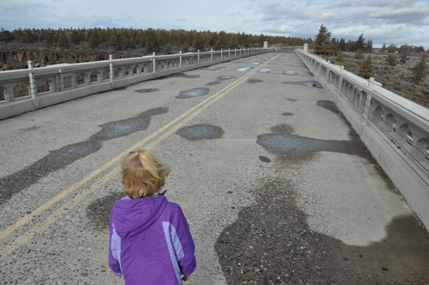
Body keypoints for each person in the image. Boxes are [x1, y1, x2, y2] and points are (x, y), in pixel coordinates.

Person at [108, 148, 196, 285]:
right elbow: (183, 246)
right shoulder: (171, 211)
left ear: (125, 180)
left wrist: (116, 267)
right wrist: (187, 268)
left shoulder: (118, 213)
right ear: (158, 180)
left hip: (134, 279)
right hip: (168, 279)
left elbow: (115, 245)